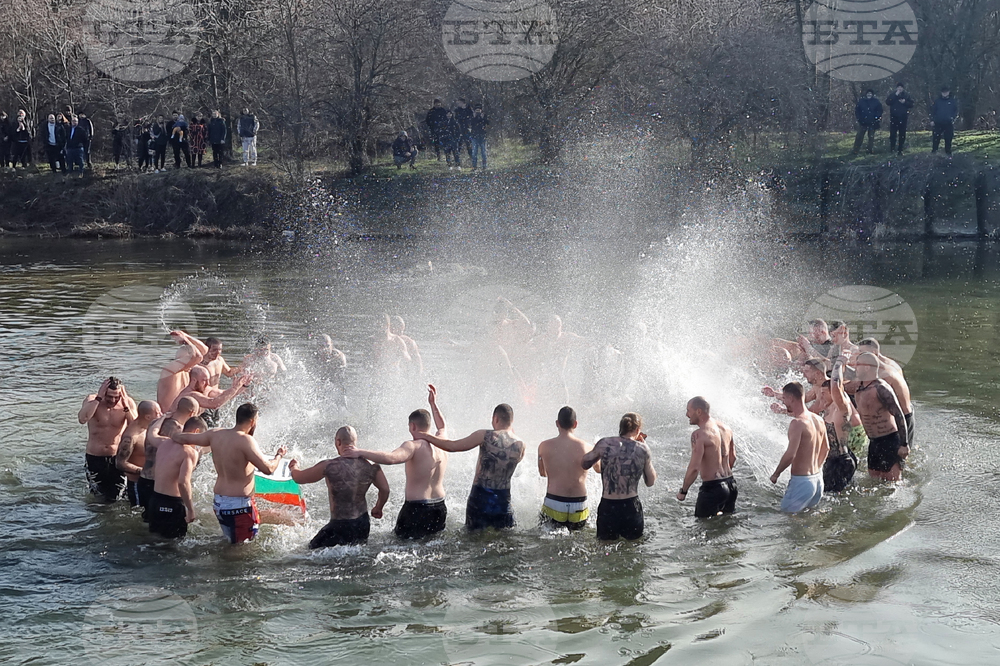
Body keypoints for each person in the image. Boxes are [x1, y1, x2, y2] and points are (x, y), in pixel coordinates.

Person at [171, 402, 288, 544]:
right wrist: (279, 455)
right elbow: (268, 469)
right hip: (239, 506)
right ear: (253, 421)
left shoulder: (215, 434)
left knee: (231, 541)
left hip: (219, 503)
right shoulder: (246, 441)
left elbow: (181, 438)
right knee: (242, 548)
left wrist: (171, 434)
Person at [342, 385, 447, 539]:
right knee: (433, 545)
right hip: (440, 507)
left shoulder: (413, 446)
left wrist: (360, 452)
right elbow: (442, 426)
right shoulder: (442, 442)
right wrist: (433, 404)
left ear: (412, 426)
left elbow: (391, 458)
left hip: (417, 509)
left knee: (403, 546)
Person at [421, 404, 526, 531]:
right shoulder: (520, 444)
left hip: (480, 498)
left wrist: (426, 436)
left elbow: (452, 446)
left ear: (495, 418)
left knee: (472, 536)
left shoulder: (484, 435)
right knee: (505, 537)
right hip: (503, 501)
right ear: (511, 421)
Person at [290, 426, 390, 548]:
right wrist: (378, 507)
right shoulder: (372, 466)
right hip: (363, 523)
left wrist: (294, 467)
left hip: (339, 526)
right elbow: (385, 489)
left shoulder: (329, 466)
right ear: (355, 441)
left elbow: (299, 478)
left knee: (309, 550)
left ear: (338, 442)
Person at [582, 412, 656, 540]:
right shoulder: (643, 449)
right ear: (638, 430)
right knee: (633, 546)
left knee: (604, 546)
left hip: (608, 506)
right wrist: (646, 451)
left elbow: (584, 464)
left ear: (621, 428)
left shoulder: (604, 444)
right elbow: (650, 481)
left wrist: (597, 450)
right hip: (631, 506)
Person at [769, 382, 829, 513]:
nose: (783, 402)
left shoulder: (797, 423)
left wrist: (776, 474)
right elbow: (826, 449)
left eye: (784, 398)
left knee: (787, 519)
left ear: (791, 398)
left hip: (802, 482)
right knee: (807, 519)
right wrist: (816, 469)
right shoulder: (818, 419)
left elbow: (791, 454)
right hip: (818, 481)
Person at [537, 406, 598, 530]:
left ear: (557, 423)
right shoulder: (587, 447)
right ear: (575, 424)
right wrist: (598, 450)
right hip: (579, 504)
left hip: (554, 502)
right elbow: (599, 469)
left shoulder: (544, 446)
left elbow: (542, 473)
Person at [146, 416, 207, 539]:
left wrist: (162, 418)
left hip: (155, 500)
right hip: (172, 504)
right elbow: (183, 483)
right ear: (196, 432)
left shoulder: (163, 442)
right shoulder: (189, 453)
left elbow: (151, 434)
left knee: (154, 540)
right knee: (173, 544)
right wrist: (190, 509)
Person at [78, 377, 138, 502]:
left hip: (118, 457)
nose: (113, 400)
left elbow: (136, 428)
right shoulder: (92, 400)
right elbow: (83, 419)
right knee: (97, 495)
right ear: (103, 392)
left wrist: (126, 406)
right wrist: (99, 398)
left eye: (117, 397)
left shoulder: (127, 403)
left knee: (119, 495)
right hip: (95, 456)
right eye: (109, 396)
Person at [139, 397, 198, 519]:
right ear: (192, 413)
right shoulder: (179, 433)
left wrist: (163, 417)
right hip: (160, 487)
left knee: (148, 521)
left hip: (144, 478)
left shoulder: (155, 423)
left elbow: (152, 435)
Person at [677, 397, 737, 517]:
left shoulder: (699, 435)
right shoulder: (726, 428)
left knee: (702, 526)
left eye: (688, 410)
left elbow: (694, 468)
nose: (687, 415)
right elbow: (733, 457)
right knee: (726, 524)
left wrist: (683, 491)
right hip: (731, 485)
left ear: (698, 411)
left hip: (713, 488)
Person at [853, 353, 908, 481]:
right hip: (873, 442)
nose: (855, 367)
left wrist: (904, 444)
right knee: (874, 481)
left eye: (858, 364)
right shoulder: (859, 388)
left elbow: (899, 415)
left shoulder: (881, 388)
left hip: (889, 440)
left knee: (893, 482)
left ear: (867, 367)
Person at [856, 338, 914, 447]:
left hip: (902, 417)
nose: (859, 355)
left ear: (874, 353)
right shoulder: (890, 363)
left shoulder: (882, 374)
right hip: (905, 411)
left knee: (901, 452)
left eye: (862, 352)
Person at [822, 364, 863, 493]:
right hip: (832, 460)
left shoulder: (841, 409)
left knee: (831, 496)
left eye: (823, 394)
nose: (821, 396)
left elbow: (836, 386)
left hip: (841, 461)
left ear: (832, 393)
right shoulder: (828, 408)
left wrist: (839, 363)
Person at [115, 400, 162, 507]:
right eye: (158, 413)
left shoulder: (150, 428)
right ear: (148, 417)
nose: (161, 414)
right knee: (138, 512)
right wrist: (143, 471)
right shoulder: (131, 437)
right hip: (137, 483)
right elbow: (120, 463)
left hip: (151, 481)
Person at [168, 365, 250, 416]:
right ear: (193, 380)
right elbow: (214, 404)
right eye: (204, 380)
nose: (208, 383)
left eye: (208, 380)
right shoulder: (190, 395)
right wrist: (234, 388)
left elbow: (224, 395)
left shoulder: (205, 389)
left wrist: (243, 385)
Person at [157, 330, 208, 410]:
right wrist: (185, 341)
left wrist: (185, 335)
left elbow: (204, 350)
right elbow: (198, 357)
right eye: (190, 361)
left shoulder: (187, 369)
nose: (193, 364)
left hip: (183, 412)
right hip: (168, 415)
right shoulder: (169, 371)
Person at [315, 334, 348, 411]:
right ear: (318, 347)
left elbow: (341, 375)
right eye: (322, 346)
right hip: (322, 384)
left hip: (337, 382)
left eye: (327, 346)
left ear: (332, 345)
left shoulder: (338, 356)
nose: (325, 349)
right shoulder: (314, 358)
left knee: (342, 407)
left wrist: (330, 363)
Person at [885, 82, 914, 154]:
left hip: (903, 117)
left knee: (902, 134)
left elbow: (911, 104)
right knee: (893, 134)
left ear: (903, 88)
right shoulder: (893, 94)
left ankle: (900, 149)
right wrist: (895, 95)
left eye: (901, 87)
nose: (899, 89)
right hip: (894, 117)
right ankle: (892, 148)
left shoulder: (906, 95)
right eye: (898, 87)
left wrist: (905, 102)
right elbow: (888, 102)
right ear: (896, 88)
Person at [852, 90, 883, 155]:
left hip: (872, 122)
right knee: (859, 136)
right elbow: (857, 110)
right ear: (866, 94)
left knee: (871, 137)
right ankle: (855, 150)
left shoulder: (876, 102)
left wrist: (876, 117)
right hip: (863, 122)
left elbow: (880, 110)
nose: (869, 94)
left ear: (872, 94)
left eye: (870, 93)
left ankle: (869, 150)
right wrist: (859, 119)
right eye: (868, 93)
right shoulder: (861, 101)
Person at [931, 86, 959, 155]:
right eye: (943, 92)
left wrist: (953, 119)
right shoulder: (937, 101)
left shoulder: (952, 101)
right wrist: (932, 120)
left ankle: (948, 153)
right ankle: (934, 152)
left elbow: (956, 111)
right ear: (941, 93)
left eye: (946, 92)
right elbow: (933, 111)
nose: (945, 93)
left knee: (948, 139)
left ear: (949, 92)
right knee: (936, 138)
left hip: (948, 123)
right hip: (938, 123)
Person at [469, 104, 489, 170]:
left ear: (481, 110)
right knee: (474, 152)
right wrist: (474, 117)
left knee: (483, 152)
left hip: (482, 137)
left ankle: (484, 166)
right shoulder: (472, 117)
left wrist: (483, 118)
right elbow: (470, 124)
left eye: (479, 110)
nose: (478, 112)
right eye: (476, 110)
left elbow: (487, 123)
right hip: (474, 137)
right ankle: (474, 166)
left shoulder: (484, 116)